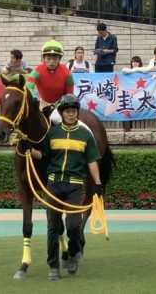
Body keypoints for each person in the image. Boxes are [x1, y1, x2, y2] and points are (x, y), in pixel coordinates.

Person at [20, 94, 102, 280]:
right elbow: (44, 156)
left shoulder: (85, 135)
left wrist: (97, 183)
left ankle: (72, 254)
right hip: (54, 185)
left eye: (74, 111)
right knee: (53, 226)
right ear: (62, 113)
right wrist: (29, 149)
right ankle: (53, 266)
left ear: (77, 113)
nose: (71, 114)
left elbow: (92, 161)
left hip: (74, 186)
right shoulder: (53, 133)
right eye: (67, 111)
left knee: (73, 226)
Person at [25, 39, 74, 124]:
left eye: (55, 59)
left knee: (57, 119)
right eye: (48, 58)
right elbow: (28, 86)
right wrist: (36, 99)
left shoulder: (67, 73)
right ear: (43, 58)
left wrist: (54, 105)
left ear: (60, 59)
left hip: (60, 104)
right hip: (42, 102)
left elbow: (69, 94)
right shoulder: (37, 70)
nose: (51, 62)